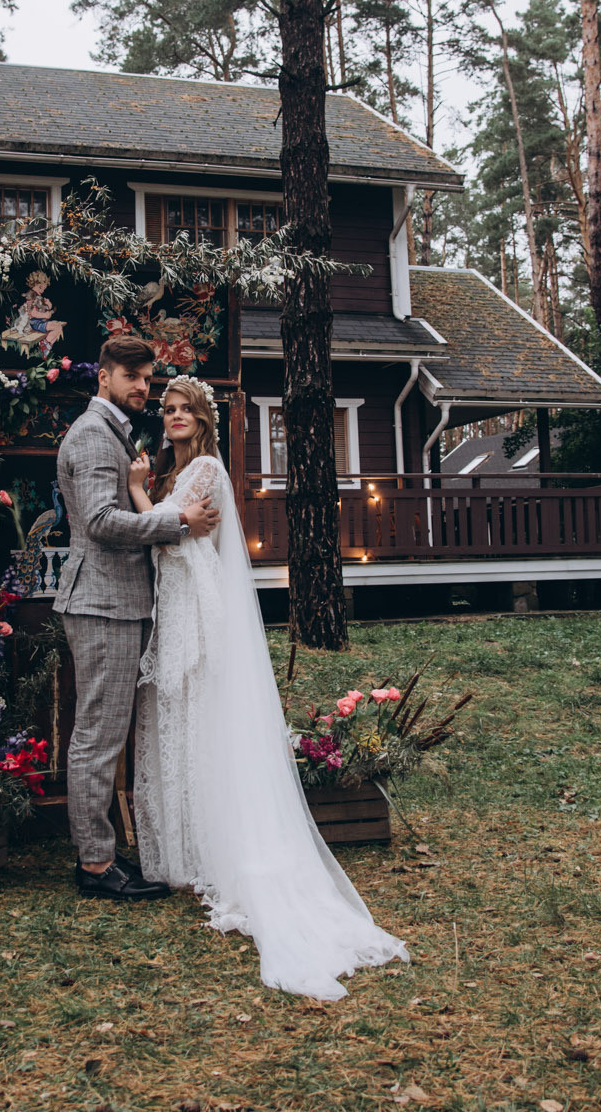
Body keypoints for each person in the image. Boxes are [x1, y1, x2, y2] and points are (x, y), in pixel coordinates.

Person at [124, 374, 410, 1000]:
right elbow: (175, 530)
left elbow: (172, 535)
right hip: (172, 610)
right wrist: (157, 501)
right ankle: (184, 853)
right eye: (167, 409)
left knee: (194, 720)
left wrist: (140, 493)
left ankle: (208, 853)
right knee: (178, 723)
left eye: (184, 411)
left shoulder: (201, 472)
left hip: (194, 616)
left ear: (203, 421)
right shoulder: (179, 478)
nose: (173, 417)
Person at [53, 335, 220, 901]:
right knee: (97, 738)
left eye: (148, 379)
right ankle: (96, 866)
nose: (142, 388)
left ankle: (99, 851)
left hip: (115, 601)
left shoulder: (112, 431)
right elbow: (101, 521)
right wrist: (175, 525)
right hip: (101, 601)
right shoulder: (95, 435)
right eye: (133, 377)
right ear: (104, 376)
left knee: (102, 735)